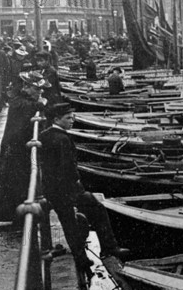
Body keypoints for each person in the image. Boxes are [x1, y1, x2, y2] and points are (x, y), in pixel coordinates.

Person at [39, 103, 129, 270]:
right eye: (68, 118)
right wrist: (76, 191)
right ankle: (104, 250)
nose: (72, 121)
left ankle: (92, 254)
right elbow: (68, 169)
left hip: (52, 189)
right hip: (64, 191)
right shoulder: (62, 139)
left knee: (77, 218)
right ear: (56, 119)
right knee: (81, 216)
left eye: (72, 117)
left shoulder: (45, 135)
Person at [0, 72, 50, 222]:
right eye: (37, 89)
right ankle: (14, 214)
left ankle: (16, 212)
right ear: (27, 87)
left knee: (19, 179)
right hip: (14, 147)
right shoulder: (18, 101)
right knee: (13, 180)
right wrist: (41, 104)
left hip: (18, 146)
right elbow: (29, 107)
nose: (40, 92)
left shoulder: (21, 98)